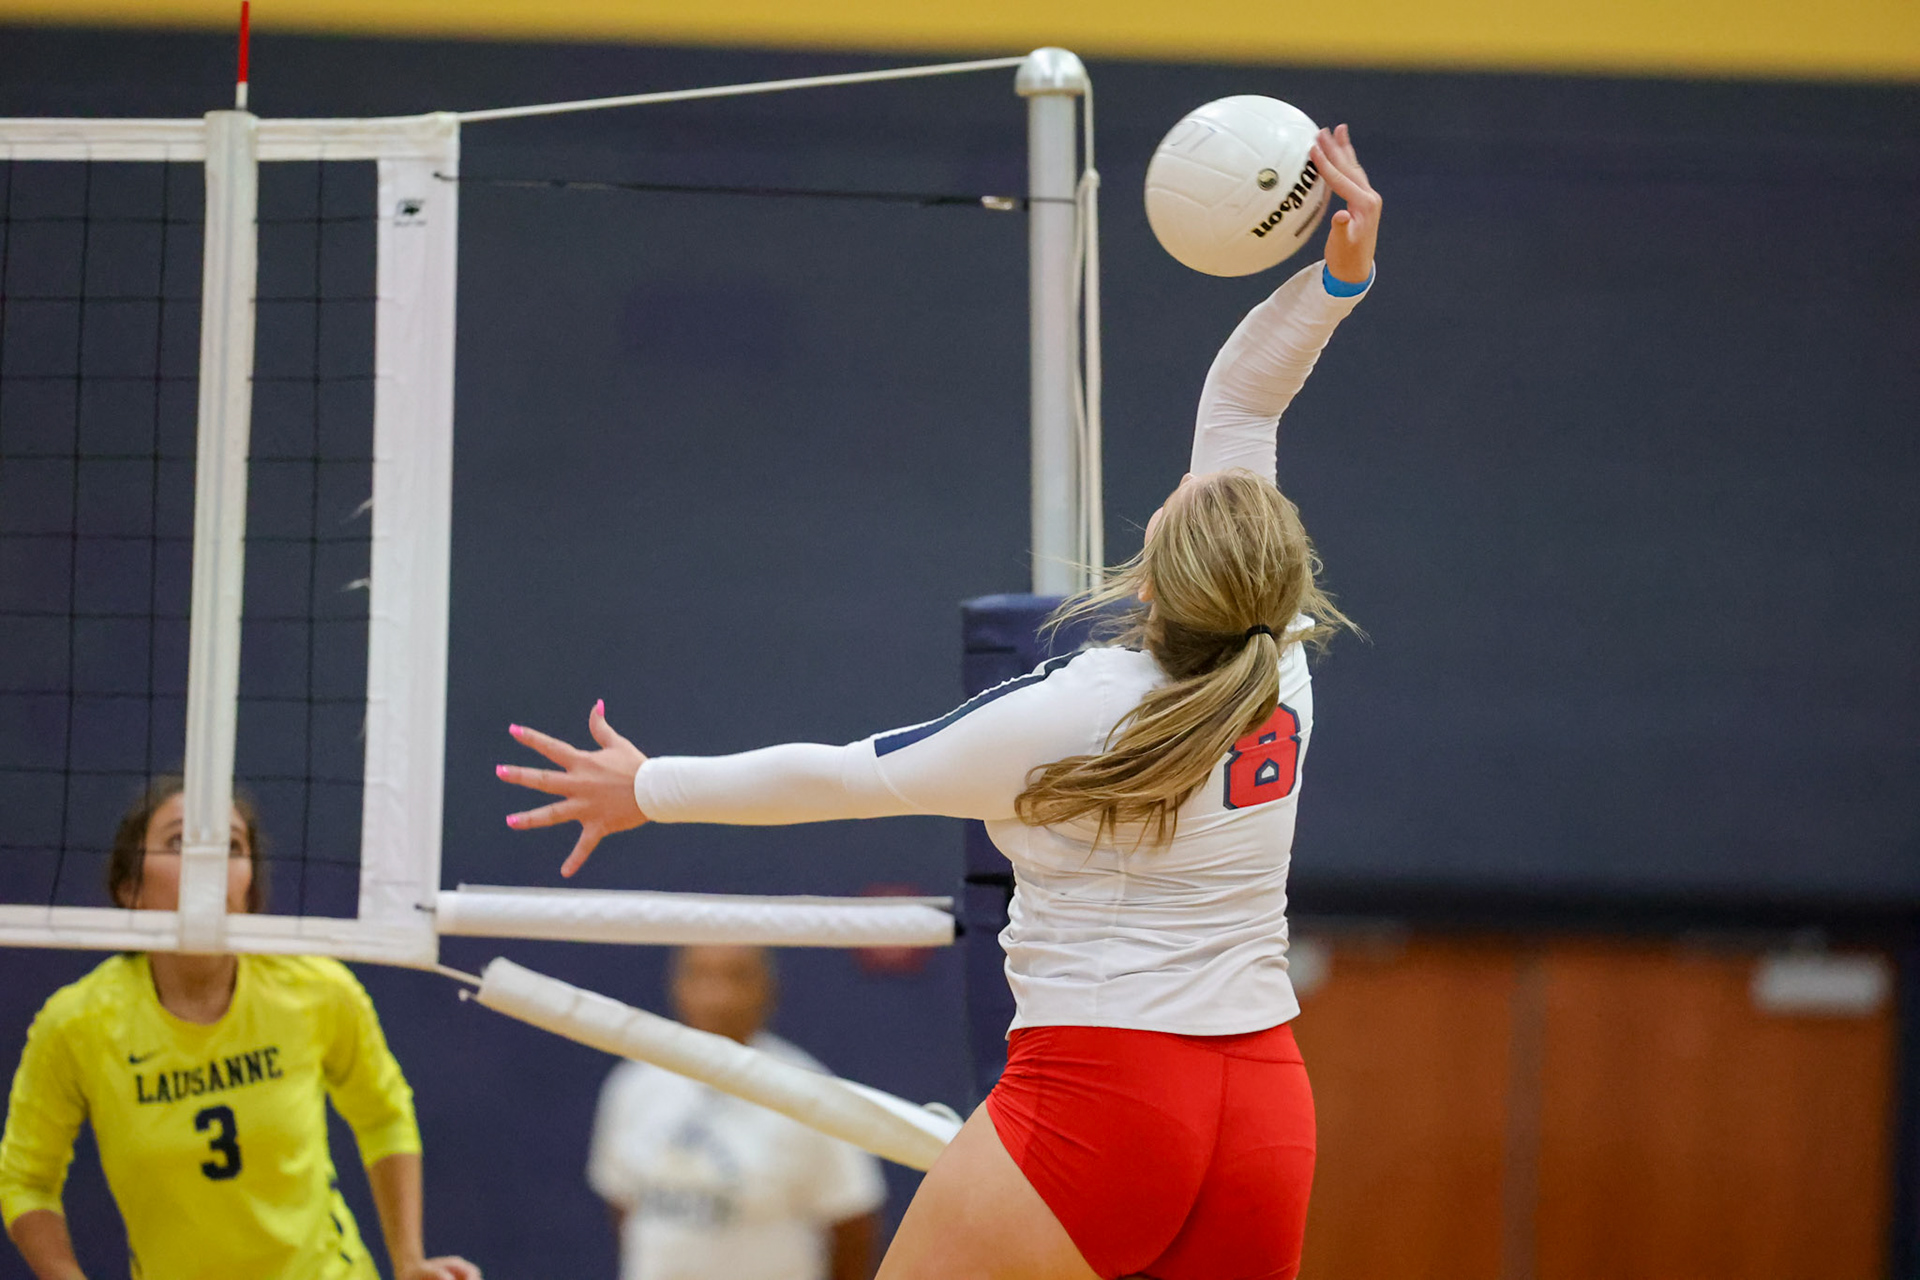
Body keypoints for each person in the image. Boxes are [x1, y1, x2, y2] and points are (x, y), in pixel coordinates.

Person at [497, 124, 1381, 1280]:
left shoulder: (1077, 708)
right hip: (1262, 1098)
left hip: (1105, 1094)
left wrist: (646, 787)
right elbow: (1244, 406)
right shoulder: (1283, 658)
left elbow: (838, 776)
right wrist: (1339, 275)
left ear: (1161, 572)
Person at [0, 777, 481, 1280]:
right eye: (179, 841)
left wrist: (409, 1261)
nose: (208, 863)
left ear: (249, 886)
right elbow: (25, 1181)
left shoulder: (315, 989)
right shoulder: (77, 1023)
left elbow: (384, 1114)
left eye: (231, 846)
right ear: (131, 889)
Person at [587, 945, 885, 1280]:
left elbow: (852, 1223)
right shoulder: (632, 1087)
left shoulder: (810, 1095)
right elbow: (622, 1203)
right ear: (676, 984)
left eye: (737, 976)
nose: (718, 997)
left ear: (769, 989)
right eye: (701, 975)